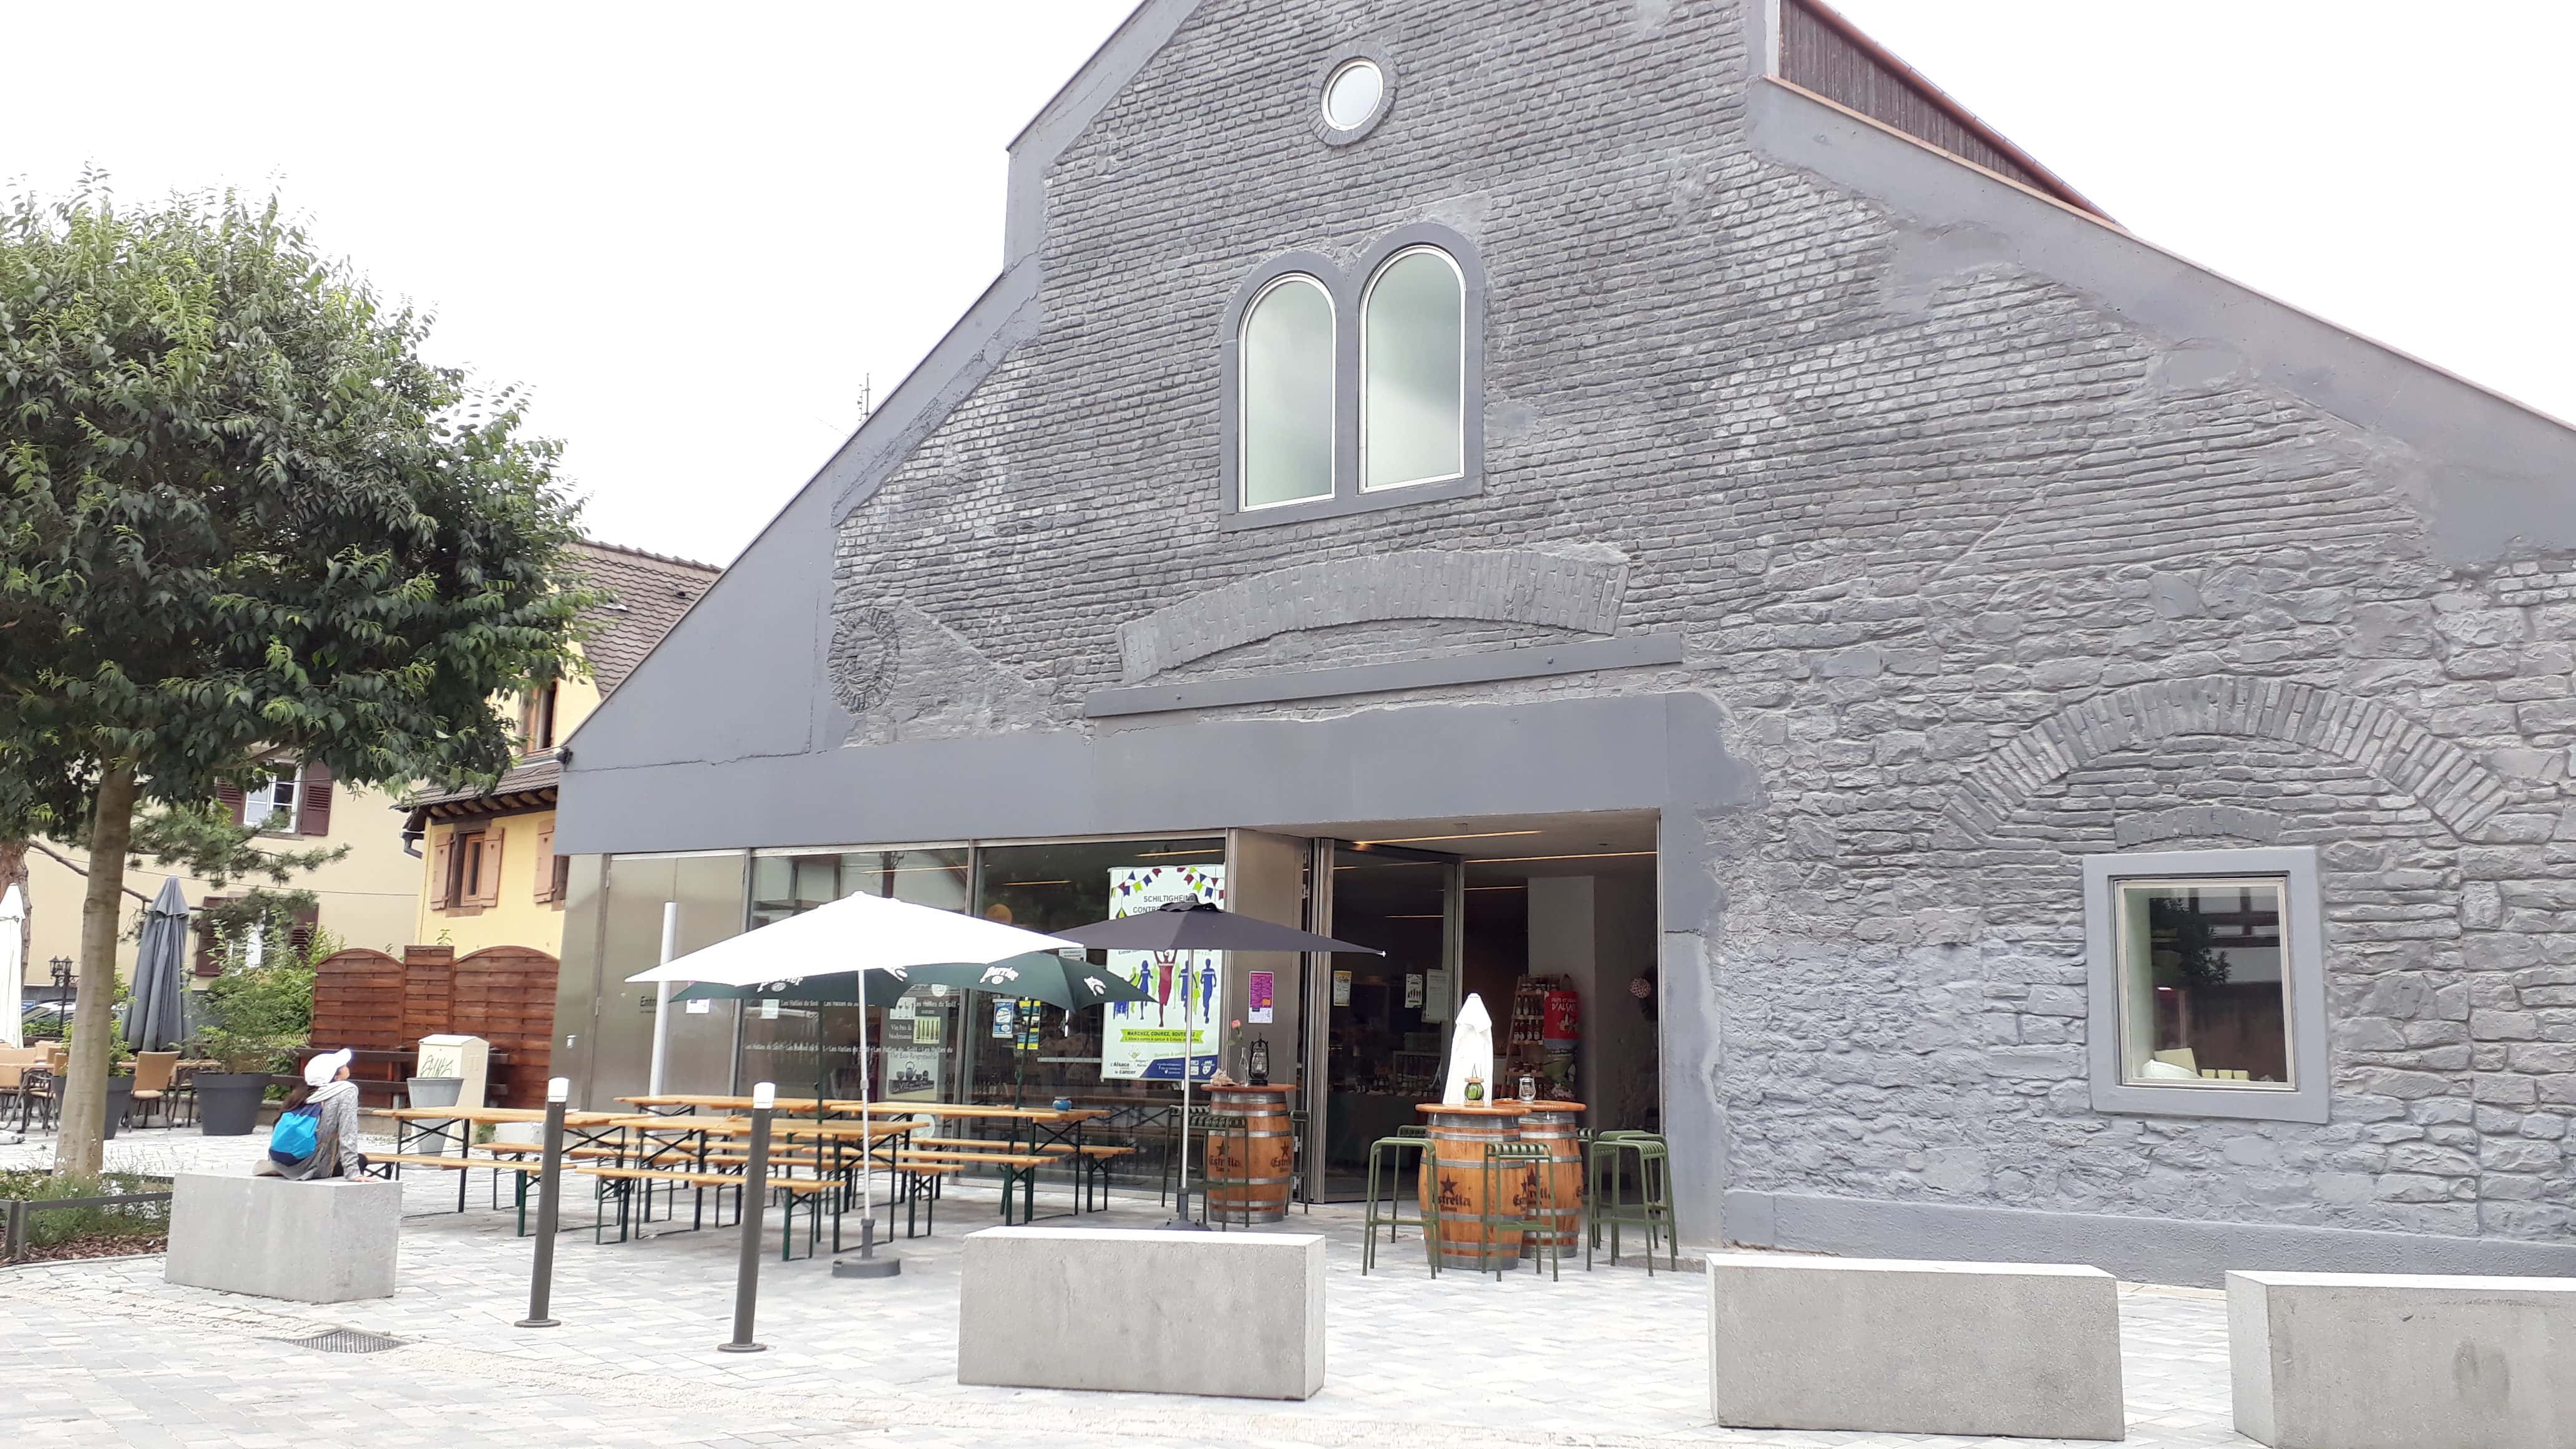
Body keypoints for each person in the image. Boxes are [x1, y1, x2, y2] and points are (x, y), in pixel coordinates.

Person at [254, 1047, 368, 1180]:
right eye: (344, 1066)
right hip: (309, 1167)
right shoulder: (346, 1091)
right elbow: (348, 1133)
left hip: (281, 1164)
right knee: (361, 1160)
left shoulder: (301, 1094)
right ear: (336, 1077)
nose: (347, 1067)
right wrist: (353, 1173)